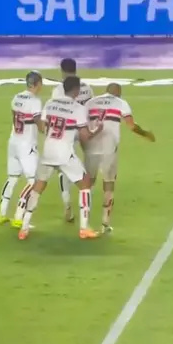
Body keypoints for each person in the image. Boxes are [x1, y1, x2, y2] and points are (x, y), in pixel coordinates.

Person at [18, 76, 103, 240]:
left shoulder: (50, 103)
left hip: (48, 150)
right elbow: (85, 136)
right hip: (64, 153)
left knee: (38, 187)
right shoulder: (78, 108)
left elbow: (42, 127)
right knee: (85, 183)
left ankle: (24, 228)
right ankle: (84, 228)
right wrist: (97, 130)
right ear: (76, 90)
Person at [84, 83, 155, 233]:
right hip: (109, 149)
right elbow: (131, 125)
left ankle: (85, 223)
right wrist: (146, 134)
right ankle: (105, 223)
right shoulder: (121, 103)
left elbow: (81, 123)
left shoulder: (91, 102)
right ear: (119, 93)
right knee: (109, 183)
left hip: (91, 147)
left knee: (88, 184)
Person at [0, 71, 45, 226]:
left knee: (12, 177)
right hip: (27, 145)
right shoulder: (35, 101)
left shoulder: (16, 97)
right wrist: (46, 130)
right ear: (38, 84)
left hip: (13, 141)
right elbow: (37, 120)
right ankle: (18, 216)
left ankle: (2, 213)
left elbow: (14, 115)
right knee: (33, 181)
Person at [51, 58, 94, 223]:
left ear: (62, 71)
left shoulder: (58, 90)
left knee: (64, 166)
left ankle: (67, 203)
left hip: (67, 130)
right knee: (87, 163)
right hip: (84, 128)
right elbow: (91, 109)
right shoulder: (87, 88)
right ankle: (86, 195)